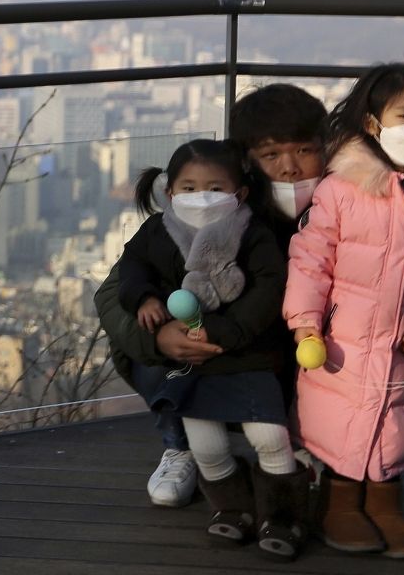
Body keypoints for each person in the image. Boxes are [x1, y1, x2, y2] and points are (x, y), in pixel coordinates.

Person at [96, 83, 329, 512]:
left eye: (304, 150)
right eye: (271, 154)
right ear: (245, 164)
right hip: (209, 346)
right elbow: (113, 292)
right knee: (142, 328)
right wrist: (157, 336)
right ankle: (180, 443)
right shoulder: (215, 210)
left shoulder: (348, 210)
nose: (291, 168)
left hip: (276, 350)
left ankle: (307, 443)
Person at [283, 47, 404, 559]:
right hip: (342, 341)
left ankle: (386, 502)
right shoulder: (343, 189)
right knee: (339, 418)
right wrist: (304, 323)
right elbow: (310, 260)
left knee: (398, 419)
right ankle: (340, 500)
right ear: (372, 122)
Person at [119, 138, 308, 559]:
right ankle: (232, 508)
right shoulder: (158, 230)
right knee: (205, 442)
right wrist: (144, 299)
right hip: (190, 361)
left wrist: (226, 331)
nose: (200, 196)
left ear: (239, 193)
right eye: (188, 187)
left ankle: (283, 516)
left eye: (215, 187)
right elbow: (132, 267)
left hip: (246, 354)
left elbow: (268, 288)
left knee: (270, 436)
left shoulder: (252, 231)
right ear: (169, 192)